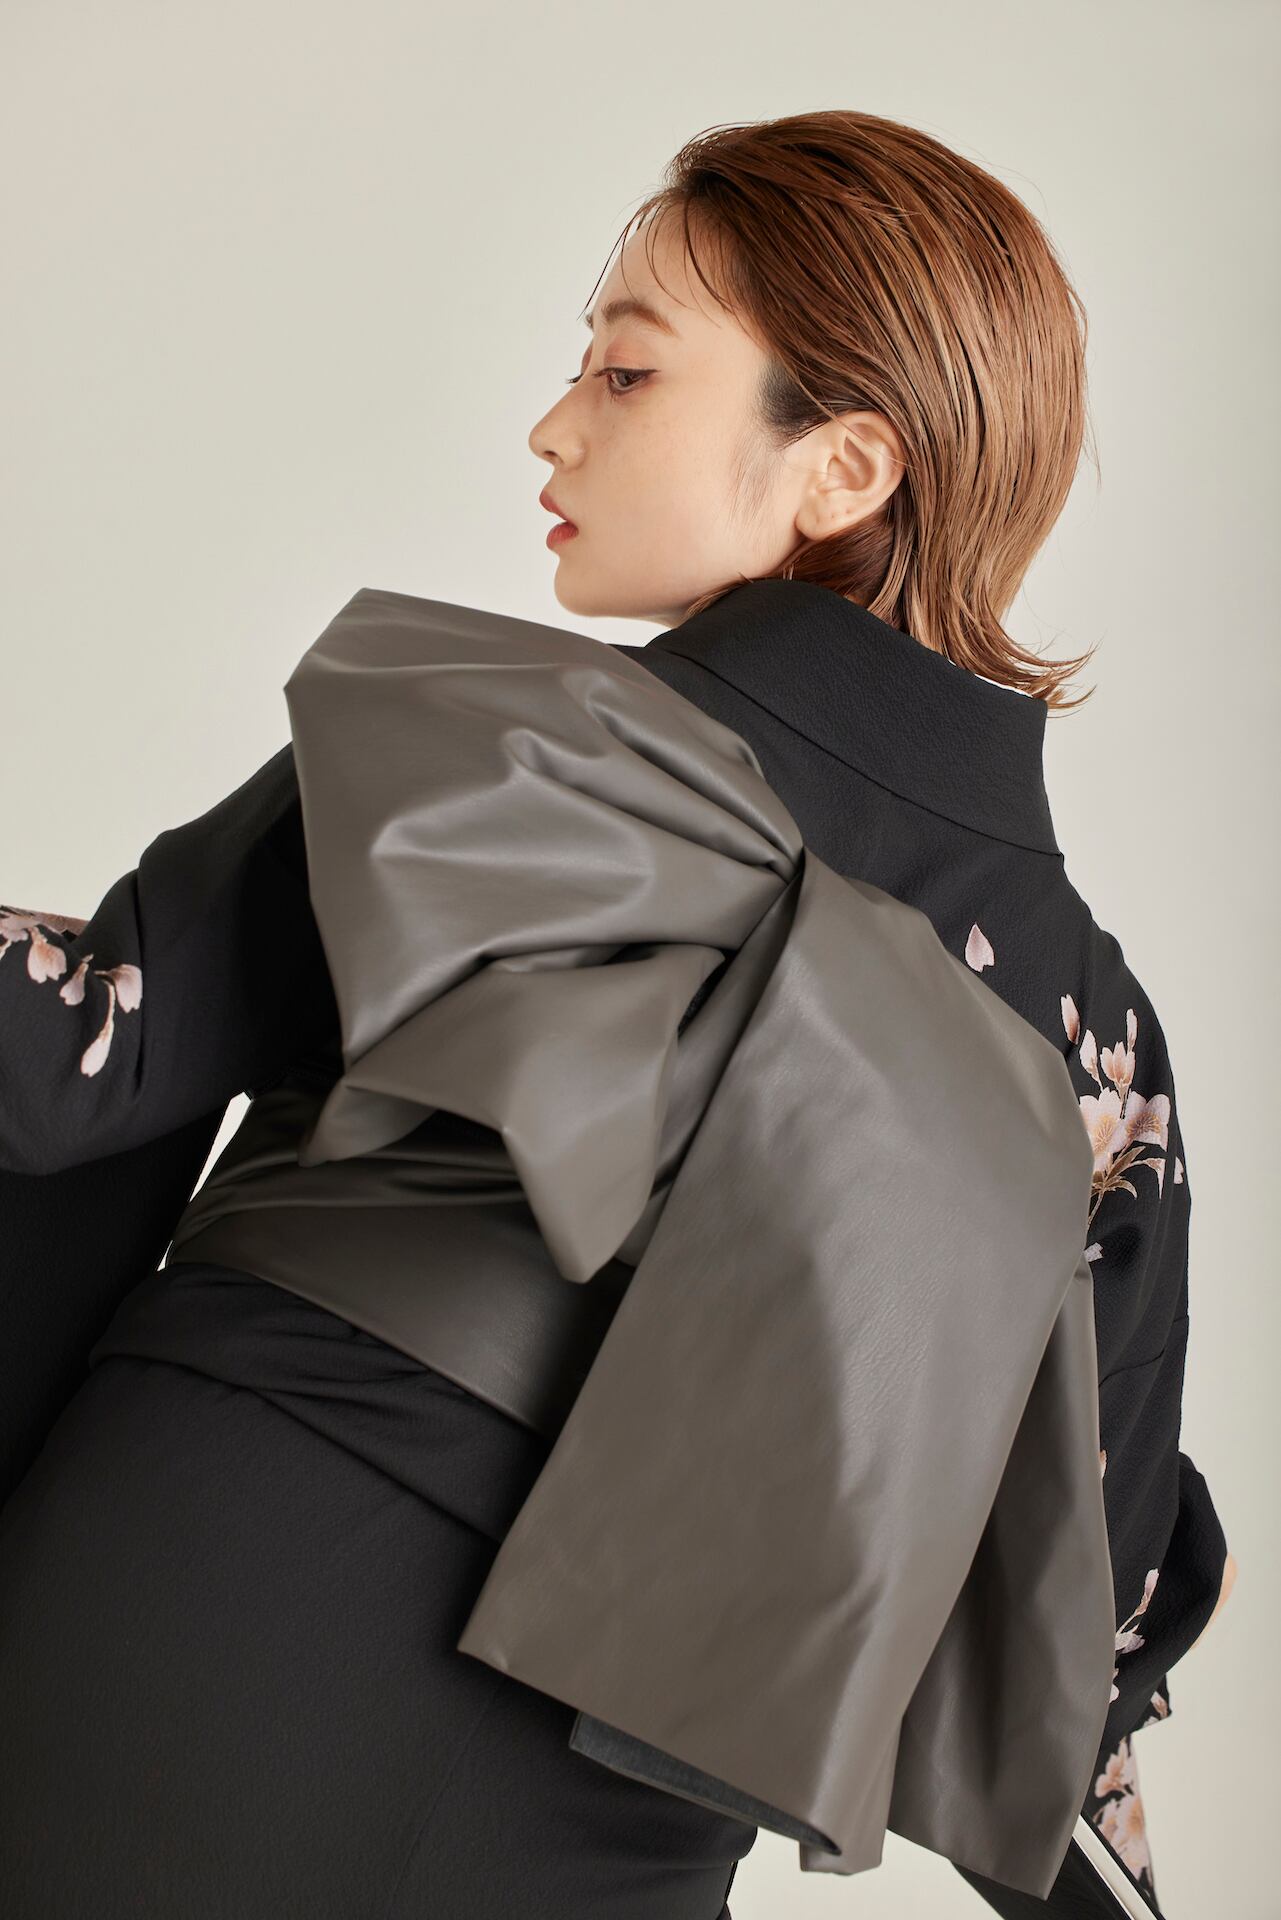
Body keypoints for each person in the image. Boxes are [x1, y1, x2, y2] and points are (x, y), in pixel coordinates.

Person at [0, 109, 1230, 1917]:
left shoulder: (510, 751)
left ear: (844, 466)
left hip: (189, 1620)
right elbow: (1081, 1615)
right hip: (615, 1820)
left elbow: (72, 1060)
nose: (553, 424)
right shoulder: (1099, 1051)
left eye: (625, 371)